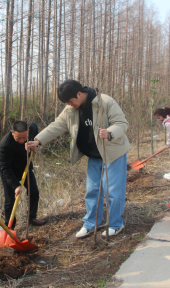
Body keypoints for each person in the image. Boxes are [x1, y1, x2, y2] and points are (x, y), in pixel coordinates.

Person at [25, 79, 130, 239]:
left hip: (112, 153)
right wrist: (38, 140)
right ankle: (90, 223)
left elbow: (122, 124)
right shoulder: (71, 109)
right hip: (94, 155)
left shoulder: (104, 102)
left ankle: (115, 224)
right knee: (93, 190)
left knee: (113, 191)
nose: (69, 104)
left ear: (79, 93)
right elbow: (58, 125)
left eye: (70, 100)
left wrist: (109, 133)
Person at [0, 121, 46, 228]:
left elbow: (34, 125)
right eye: (18, 138)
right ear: (12, 132)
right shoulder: (5, 144)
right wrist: (16, 185)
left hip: (25, 167)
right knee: (10, 200)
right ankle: (9, 227)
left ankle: (31, 218)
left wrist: (33, 142)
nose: (21, 140)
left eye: (24, 137)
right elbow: (5, 168)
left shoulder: (31, 130)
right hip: (10, 172)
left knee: (34, 192)